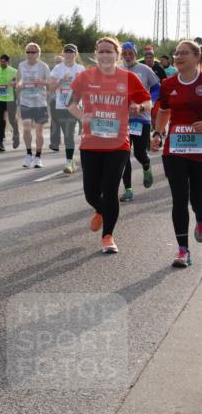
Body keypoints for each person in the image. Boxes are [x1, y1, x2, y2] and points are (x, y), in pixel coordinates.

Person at [67, 36, 151, 254]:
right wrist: (82, 116)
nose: (105, 55)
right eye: (101, 51)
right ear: (96, 54)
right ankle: (101, 209)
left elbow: (148, 101)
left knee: (110, 189)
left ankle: (108, 236)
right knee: (90, 193)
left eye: (109, 51)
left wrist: (140, 108)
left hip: (118, 143)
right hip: (90, 143)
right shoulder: (84, 77)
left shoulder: (129, 77)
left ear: (117, 55)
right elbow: (71, 103)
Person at [151, 40, 202, 268]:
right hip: (175, 149)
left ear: (197, 57)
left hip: (200, 151)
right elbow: (164, 111)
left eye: (184, 53)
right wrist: (157, 133)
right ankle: (183, 250)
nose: (178, 57)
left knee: (198, 198)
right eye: (176, 53)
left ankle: (200, 218)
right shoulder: (168, 83)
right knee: (179, 199)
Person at [118, 42, 158, 202]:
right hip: (122, 119)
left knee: (139, 153)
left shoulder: (145, 69)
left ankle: (146, 165)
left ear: (135, 54)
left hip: (142, 118)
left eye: (131, 53)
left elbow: (156, 88)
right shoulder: (118, 70)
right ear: (121, 55)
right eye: (125, 53)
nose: (128, 56)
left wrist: (148, 103)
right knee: (123, 156)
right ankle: (128, 189)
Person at [48, 45, 85, 173]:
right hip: (60, 106)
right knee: (67, 134)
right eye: (67, 52)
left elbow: (86, 88)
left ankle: (69, 162)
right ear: (63, 54)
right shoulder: (58, 69)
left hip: (74, 106)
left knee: (69, 134)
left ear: (76, 54)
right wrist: (61, 81)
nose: (69, 54)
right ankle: (72, 158)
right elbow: (50, 88)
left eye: (71, 52)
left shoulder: (80, 69)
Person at [16, 43, 50, 168]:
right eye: (28, 52)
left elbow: (50, 82)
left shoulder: (43, 66)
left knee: (39, 131)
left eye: (33, 52)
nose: (30, 54)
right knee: (26, 128)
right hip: (25, 101)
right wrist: (19, 84)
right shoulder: (21, 65)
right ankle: (28, 154)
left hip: (40, 103)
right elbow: (19, 79)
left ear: (38, 54)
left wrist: (42, 81)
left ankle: (38, 157)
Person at [0, 54, 19, 152]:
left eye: (4, 61)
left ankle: (16, 134)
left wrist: (14, 83)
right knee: (0, 120)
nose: (2, 63)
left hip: (10, 99)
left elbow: (20, 82)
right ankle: (0, 142)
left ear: (8, 62)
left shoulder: (14, 71)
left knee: (12, 119)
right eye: (1, 61)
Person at [48, 54, 64, 151]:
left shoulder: (68, 71)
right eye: (56, 62)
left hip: (66, 102)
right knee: (54, 122)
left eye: (59, 62)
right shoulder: (53, 73)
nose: (57, 63)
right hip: (54, 100)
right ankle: (55, 143)